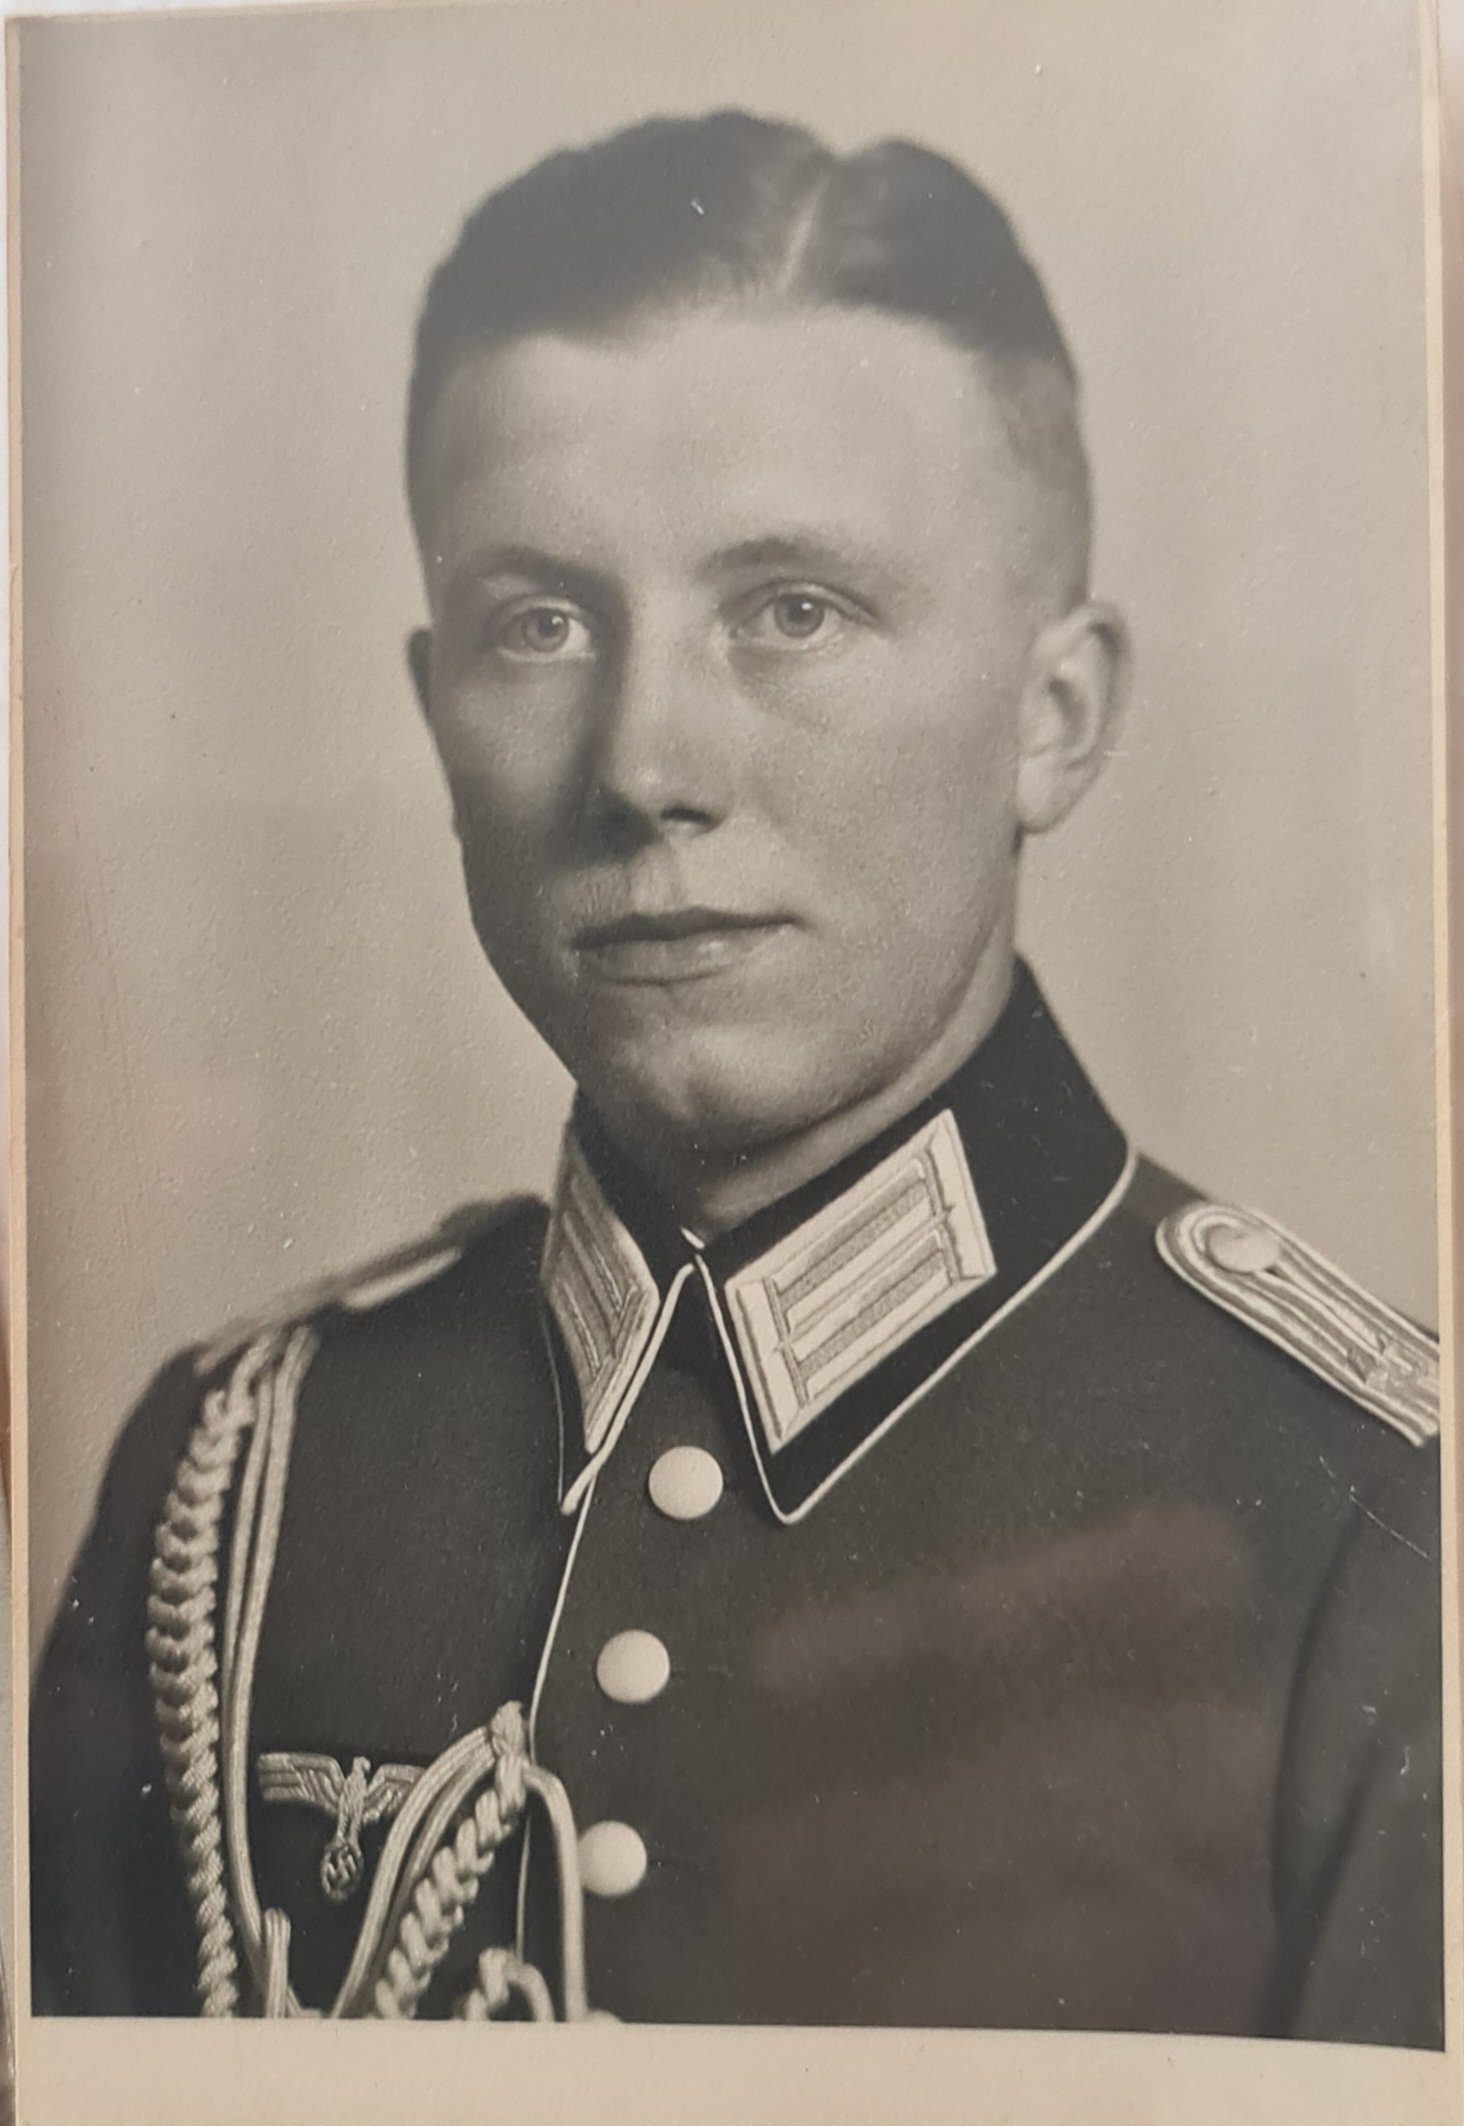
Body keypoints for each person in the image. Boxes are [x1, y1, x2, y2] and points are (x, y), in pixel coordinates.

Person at [31, 109, 1442, 2041]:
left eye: (792, 611)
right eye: (541, 624)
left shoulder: (1378, 1524)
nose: (644, 766)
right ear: (438, 717)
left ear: (1055, 717)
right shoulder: (238, 1474)